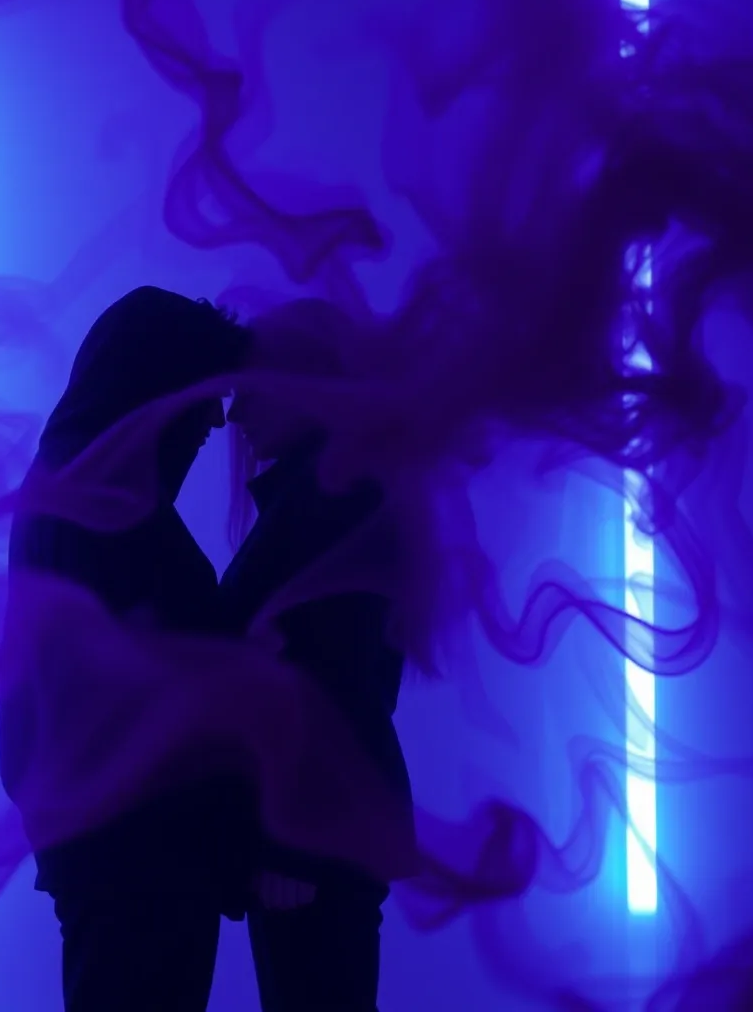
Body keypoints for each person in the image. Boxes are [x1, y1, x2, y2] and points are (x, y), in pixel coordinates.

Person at [0, 285, 251, 1012]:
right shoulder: (104, 517)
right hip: (140, 864)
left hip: (117, 857)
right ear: (157, 392)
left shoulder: (76, 498)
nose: (218, 420)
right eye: (203, 396)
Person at [218, 304, 416, 1012]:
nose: (234, 414)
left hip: (311, 846)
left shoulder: (331, 502)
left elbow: (335, 680)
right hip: (320, 838)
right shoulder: (328, 497)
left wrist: (292, 845)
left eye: (253, 388)